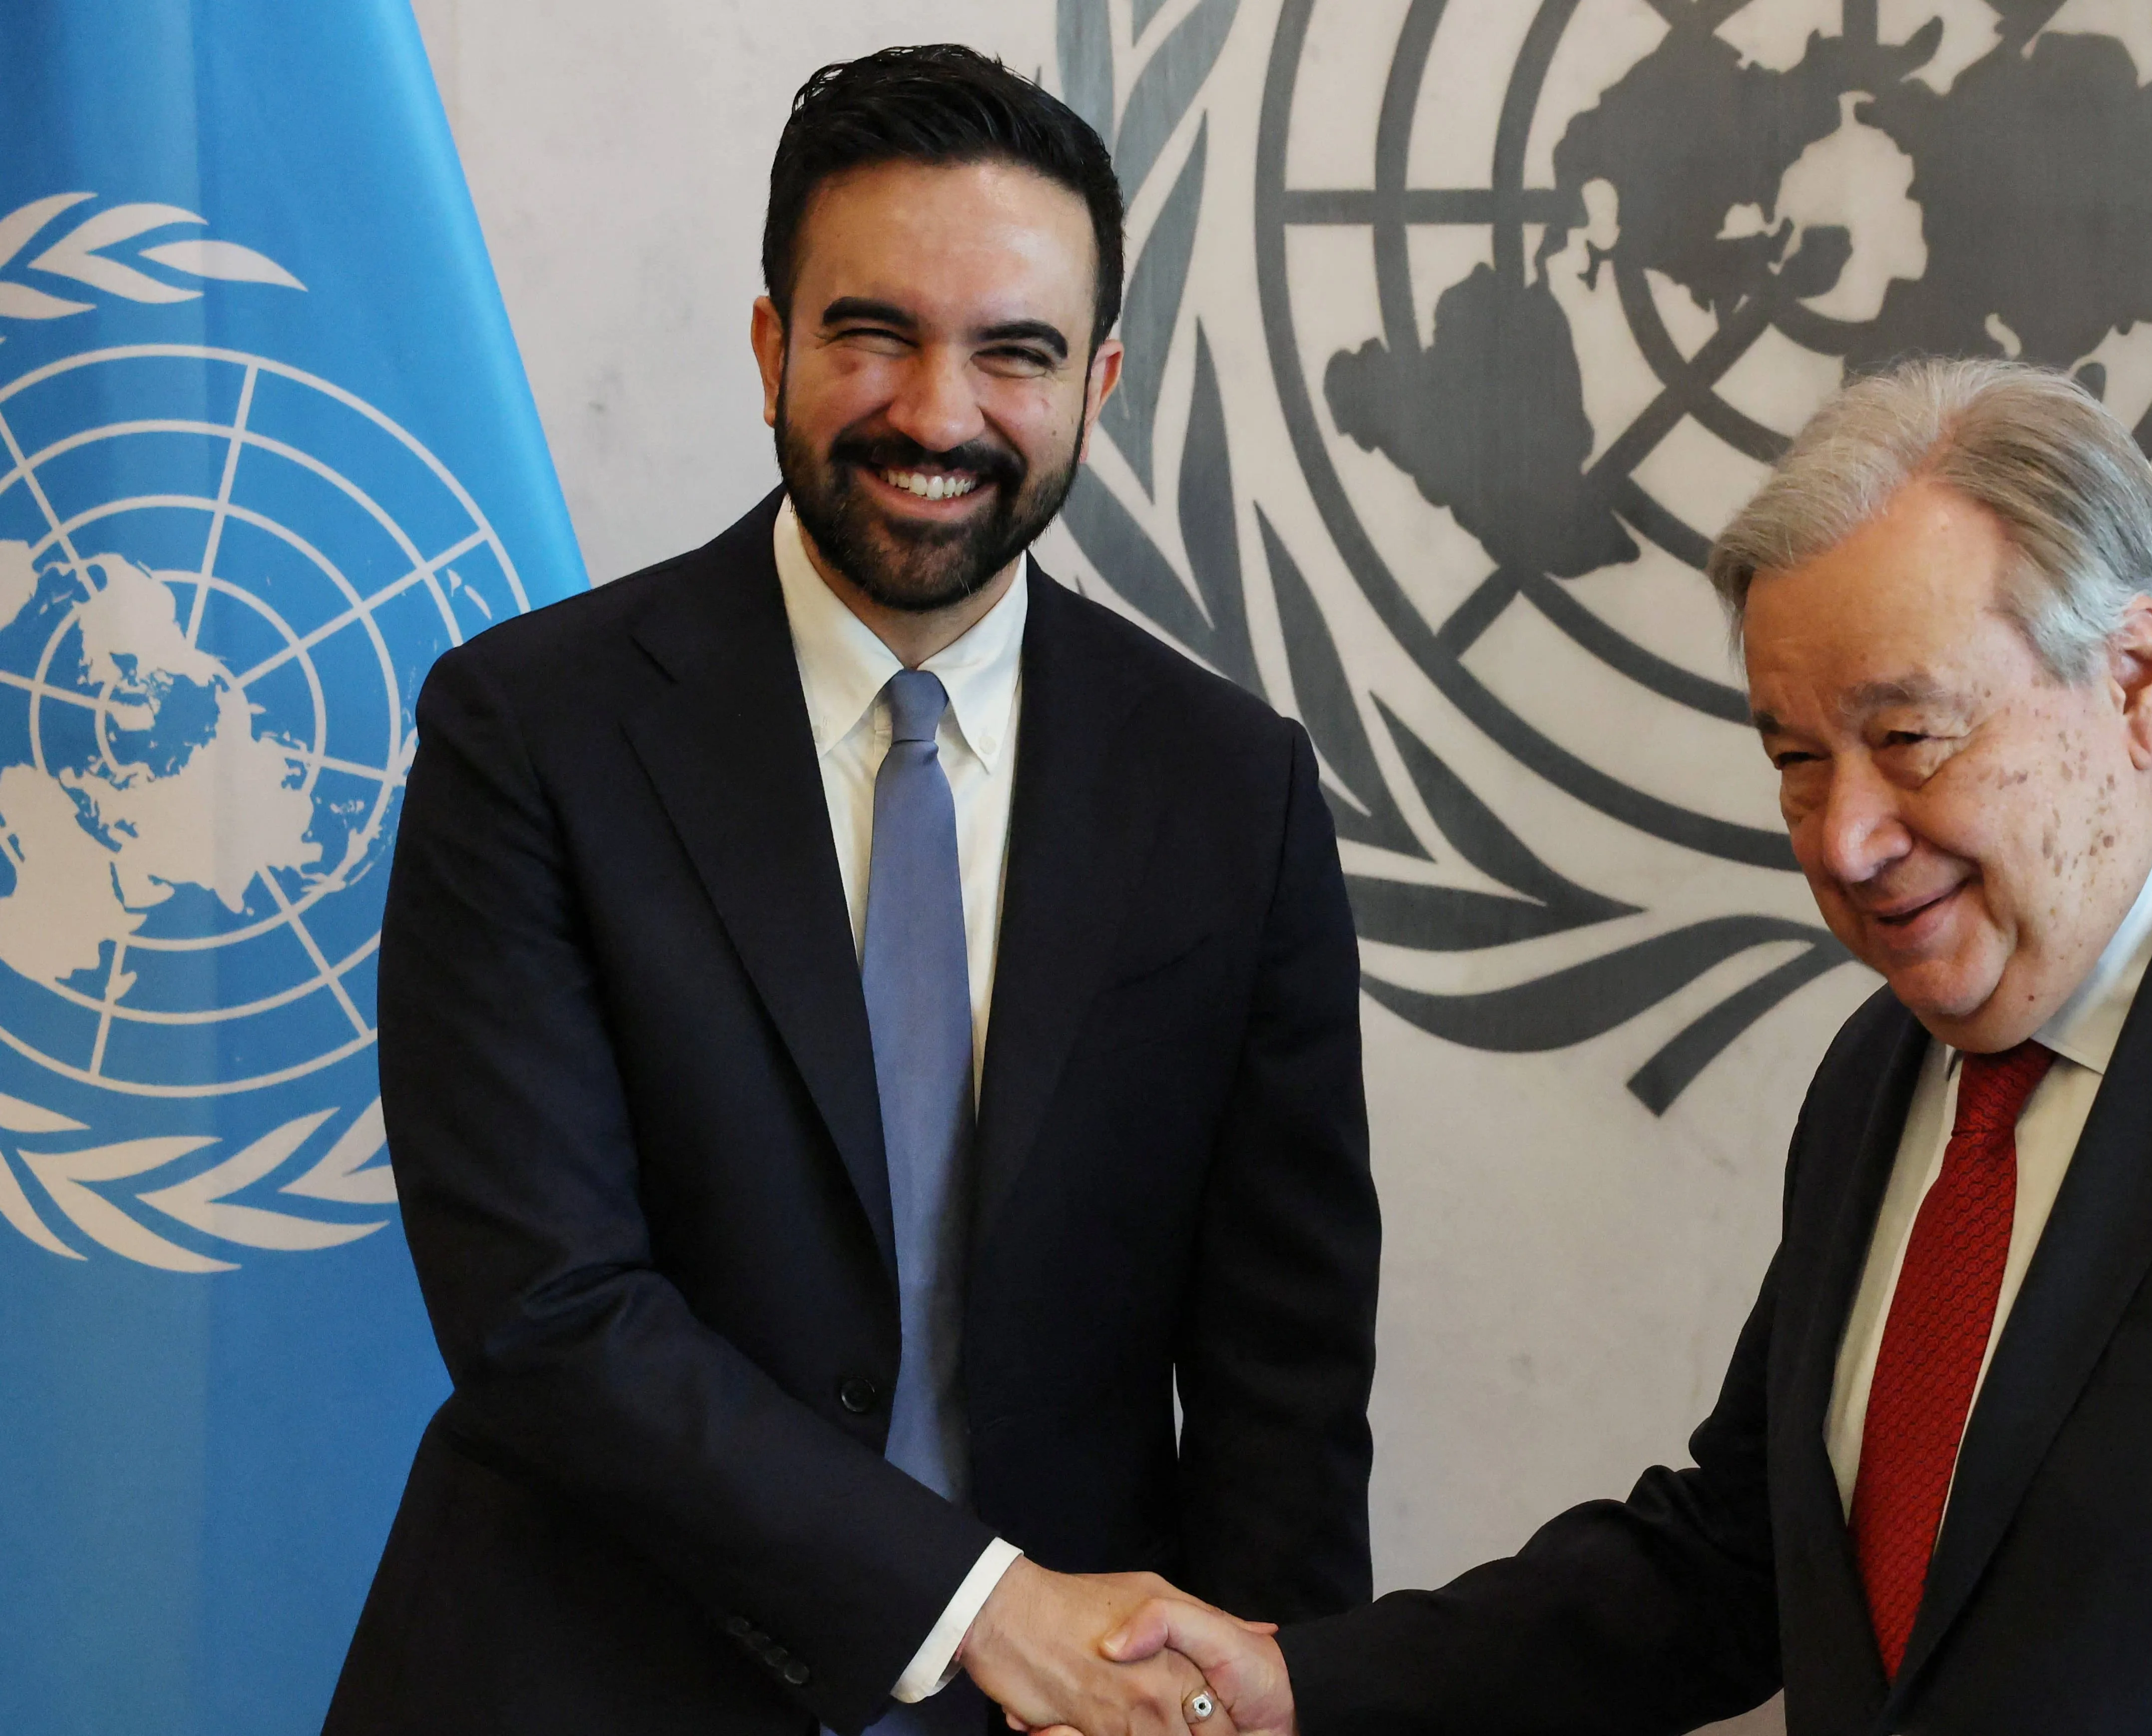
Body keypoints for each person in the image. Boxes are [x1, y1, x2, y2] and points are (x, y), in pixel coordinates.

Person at [1102, 358, 2152, 1735]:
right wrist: (1298, 1685)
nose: (1843, 837)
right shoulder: (1881, 1077)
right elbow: (1732, 1560)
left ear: (2137, 678)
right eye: (1796, 758)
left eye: (1907, 738)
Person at [325, 45, 1379, 1736]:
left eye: (1013, 353)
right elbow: (544, 1303)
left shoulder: (1229, 787)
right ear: (772, 347)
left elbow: (1284, 1378)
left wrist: (1263, 1700)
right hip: (581, 1682)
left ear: (1099, 383)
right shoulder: (531, 730)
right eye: (872, 331)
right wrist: (977, 1607)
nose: (937, 414)